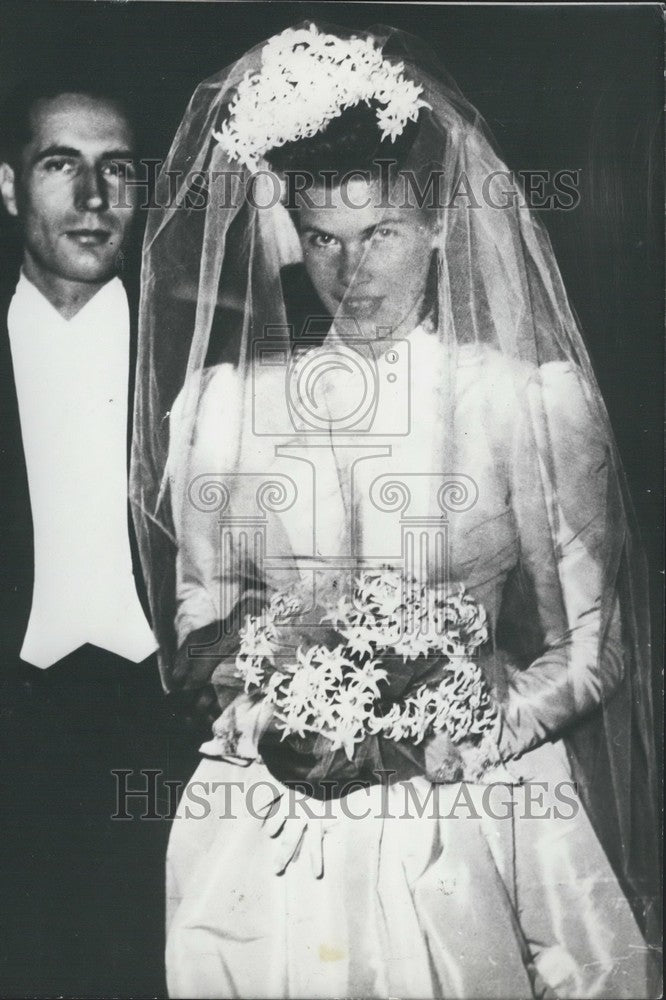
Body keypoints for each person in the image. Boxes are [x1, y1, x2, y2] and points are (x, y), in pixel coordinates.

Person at [132, 22, 661, 999]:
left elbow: (593, 654)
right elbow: (196, 637)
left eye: (380, 233)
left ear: (440, 227)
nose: (351, 272)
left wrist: (456, 732)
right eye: (324, 239)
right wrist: (276, 698)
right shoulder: (223, 410)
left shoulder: (525, 403)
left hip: (474, 811)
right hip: (273, 820)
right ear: (294, 232)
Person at [0, 68, 179, 996]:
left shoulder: (201, 350)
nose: (93, 197)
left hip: (164, 731)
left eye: (118, 169)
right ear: (7, 184)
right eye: (60, 165)